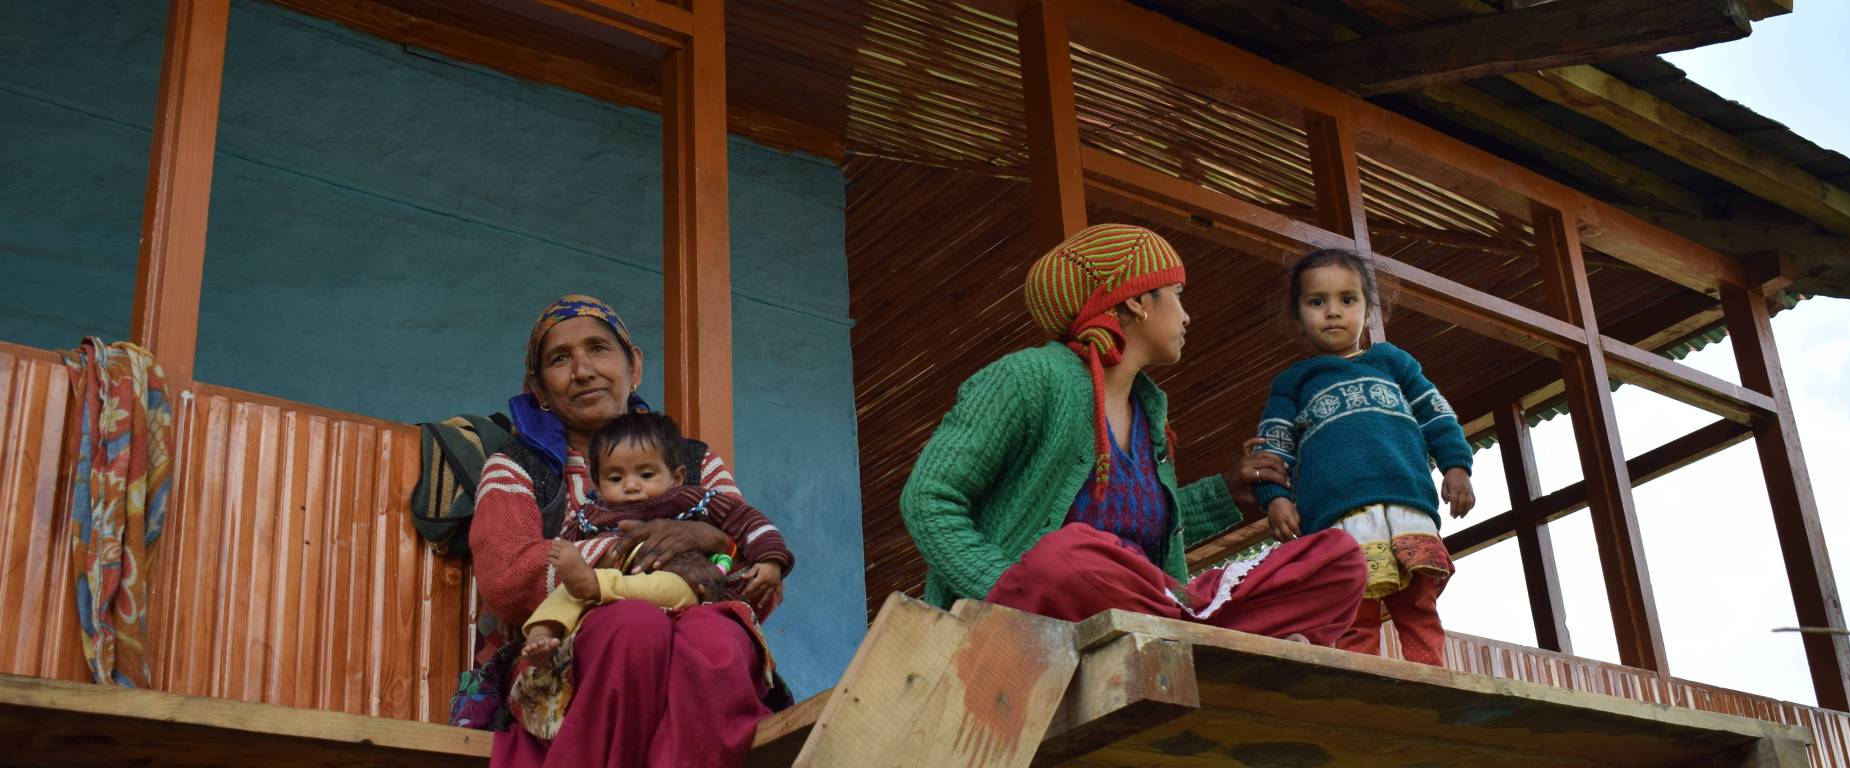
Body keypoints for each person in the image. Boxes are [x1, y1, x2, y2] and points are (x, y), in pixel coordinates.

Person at [902, 224, 1367, 644]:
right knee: (1069, 555)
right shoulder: (1029, 377)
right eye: (1177, 294)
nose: (1187, 316)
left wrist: (1227, 493)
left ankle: (1191, 631)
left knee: (1339, 558)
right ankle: (1218, 637)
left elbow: (1139, 531)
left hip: (1148, 600)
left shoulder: (1149, 408)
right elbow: (927, 497)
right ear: (1136, 300)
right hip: (1049, 604)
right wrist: (1005, 587)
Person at [466, 295, 779, 768]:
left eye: (598, 349)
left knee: (721, 640)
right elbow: (507, 578)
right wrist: (627, 553)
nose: (583, 370)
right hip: (563, 648)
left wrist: (712, 540)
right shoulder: (515, 466)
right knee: (634, 626)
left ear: (634, 365)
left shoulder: (692, 461)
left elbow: (759, 585)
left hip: (692, 632)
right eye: (560, 359)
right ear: (539, 388)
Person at [1252, 249, 1476, 667]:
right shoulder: (1293, 383)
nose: (1333, 312)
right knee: (1354, 607)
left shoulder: (1393, 362)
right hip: (1337, 514)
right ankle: (1362, 676)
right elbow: (1273, 447)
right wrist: (1275, 498)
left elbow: (1437, 414)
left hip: (1406, 501)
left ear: (1368, 309)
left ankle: (1431, 674)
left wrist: (1457, 467)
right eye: (1317, 302)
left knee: (1419, 602)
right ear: (1298, 316)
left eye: (1347, 300)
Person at [523, 411, 793, 665]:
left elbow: (746, 520)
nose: (631, 485)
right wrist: (564, 558)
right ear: (597, 483)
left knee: (675, 584)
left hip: (672, 585)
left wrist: (771, 560)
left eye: (647, 474)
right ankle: (541, 633)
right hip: (606, 604)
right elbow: (564, 551)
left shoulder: (690, 498)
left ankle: (595, 585)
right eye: (615, 477)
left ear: (677, 477)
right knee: (566, 591)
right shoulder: (592, 514)